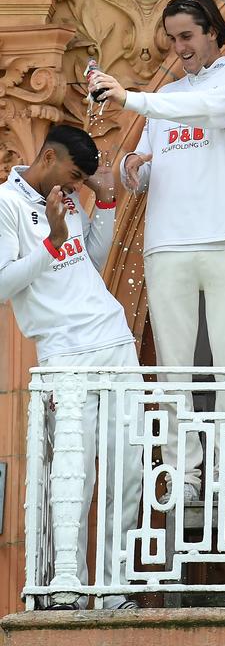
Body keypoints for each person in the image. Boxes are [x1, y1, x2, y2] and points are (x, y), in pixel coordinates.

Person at [94, 0, 225, 502]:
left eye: (186, 36)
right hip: (168, 243)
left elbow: (203, 109)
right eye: (172, 38)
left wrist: (132, 98)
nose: (179, 47)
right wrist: (130, 170)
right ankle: (184, 472)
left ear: (213, 30)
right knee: (173, 369)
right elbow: (145, 165)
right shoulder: (167, 100)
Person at [0, 126, 142, 609]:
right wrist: (50, 243)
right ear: (47, 157)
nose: (76, 185)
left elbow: (89, 258)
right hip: (64, 352)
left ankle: (114, 587)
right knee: (72, 476)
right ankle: (69, 586)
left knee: (127, 471)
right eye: (75, 176)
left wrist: (102, 201)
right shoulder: (7, 205)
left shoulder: (64, 196)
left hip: (114, 340)